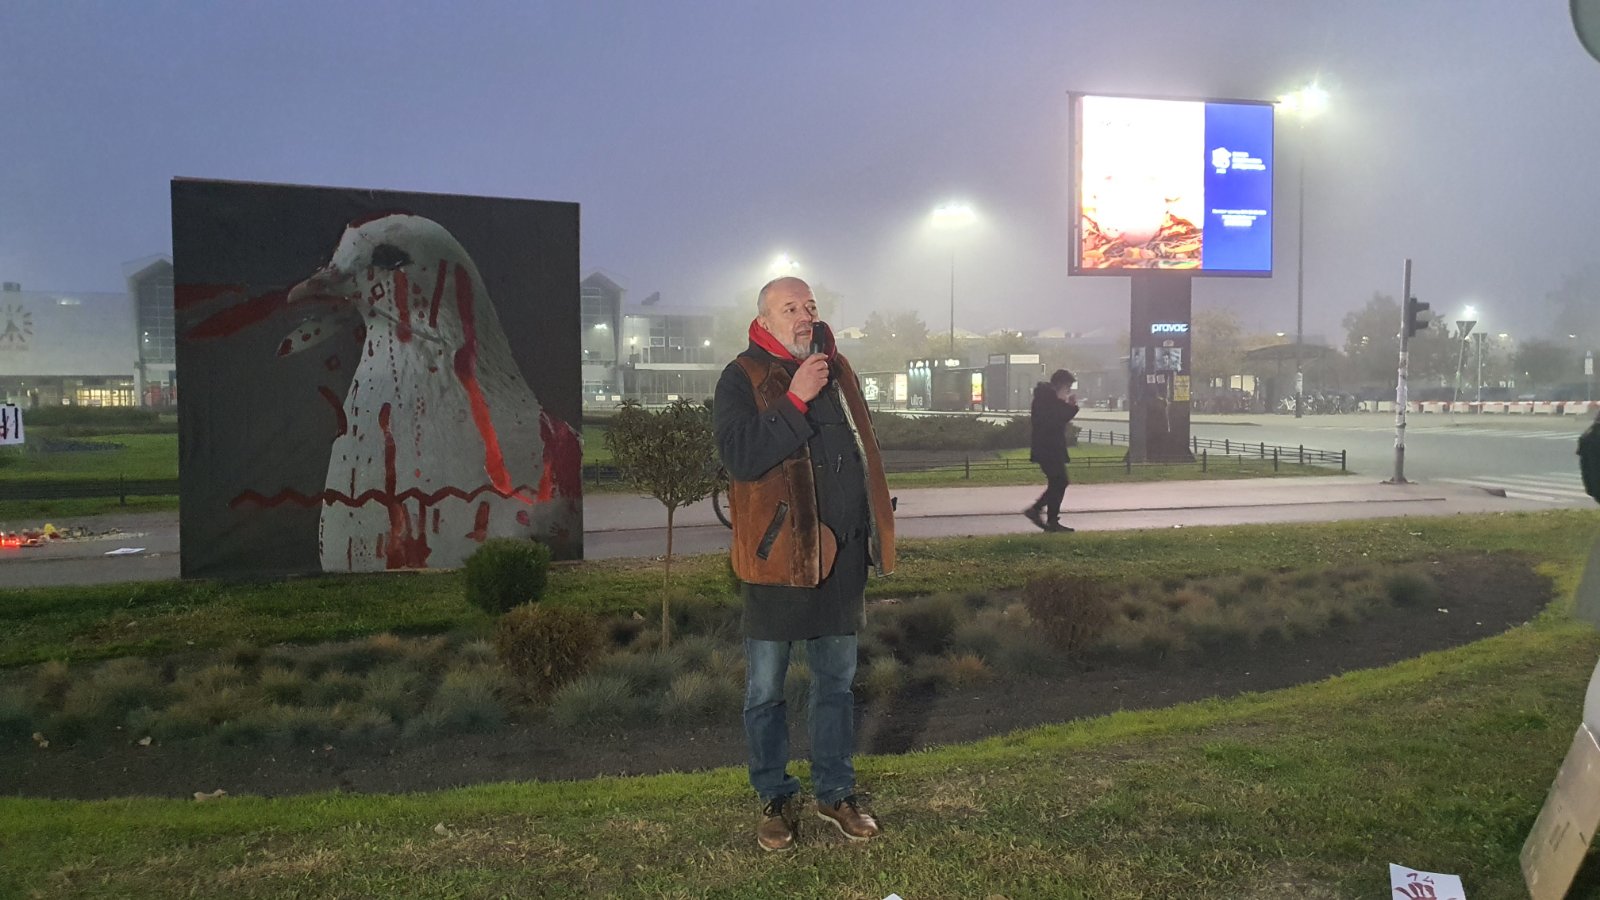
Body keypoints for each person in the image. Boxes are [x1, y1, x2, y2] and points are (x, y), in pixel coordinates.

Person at [713, 275, 897, 852]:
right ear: (763, 321)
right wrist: (795, 399)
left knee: (836, 684)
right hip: (778, 563)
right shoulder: (742, 377)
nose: (803, 315)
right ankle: (774, 796)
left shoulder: (837, 372)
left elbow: (861, 453)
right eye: (789, 307)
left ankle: (835, 792)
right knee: (765, 689)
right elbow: (741, 456)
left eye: (810, 306)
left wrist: (872, 524)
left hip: (841, 564)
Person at [1023, 368, 1079, 533]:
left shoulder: (1047, 399)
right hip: (1048, 448)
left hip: (1050, 447)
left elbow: (1058, 417)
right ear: (1060, 385)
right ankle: (1041, 512)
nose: (1068, 392)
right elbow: (1056, 420)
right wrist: (1070, 407)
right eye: (1067, 388)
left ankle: (1046, 516)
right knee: (1060, 481)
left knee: (1058, 482)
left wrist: (1067, 405)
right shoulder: (1046, 400)